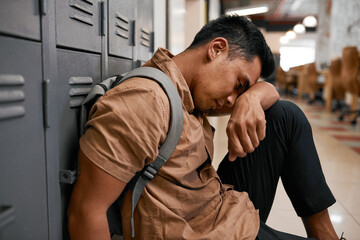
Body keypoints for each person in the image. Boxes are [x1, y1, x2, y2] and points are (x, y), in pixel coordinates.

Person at [68, 15, 339, 239]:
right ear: (217, 49)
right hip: (198, 230)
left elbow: (272, 93)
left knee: (284, 116)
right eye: (239, 84)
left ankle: (324, 234)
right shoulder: (146, 102)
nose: (233, 100)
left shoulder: (187, 93)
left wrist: (252, 97)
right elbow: (86, 211)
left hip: (217, 207)